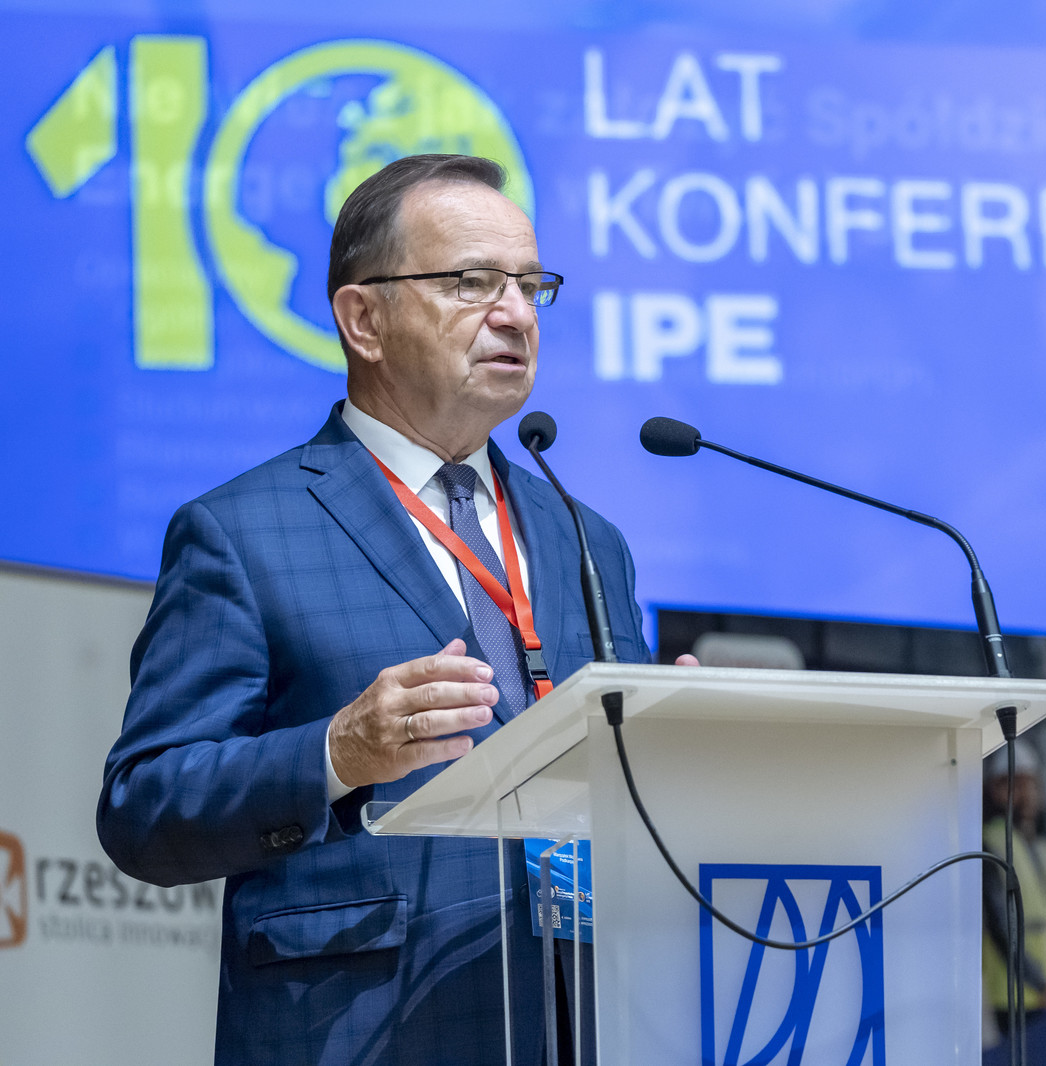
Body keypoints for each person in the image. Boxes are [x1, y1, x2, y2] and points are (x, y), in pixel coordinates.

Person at [97, 154, 652, 1066]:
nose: (516, 313)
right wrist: (334, 753)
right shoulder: (243, 531)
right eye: (473, 282)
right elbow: (143, 809)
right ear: (364, 319)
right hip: (365, 1029)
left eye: (530, 285)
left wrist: (673, 745)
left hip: (589, 1019)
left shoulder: (586, 538)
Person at [980, 742, 1046, 1034]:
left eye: (1031, 783)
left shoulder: (1045, 849)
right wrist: (1042, 983)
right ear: (996, 790)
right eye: (1016, 783)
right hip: (1014, 995)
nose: (1027, 793)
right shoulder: (990, 844)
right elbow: (1000, 926)